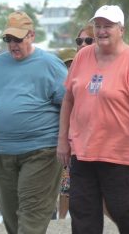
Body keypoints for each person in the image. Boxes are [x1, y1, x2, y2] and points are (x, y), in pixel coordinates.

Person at [0, 11, 67, 234]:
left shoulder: (50, 64)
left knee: (31, 216)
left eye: (18, 39)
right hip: (2, 151)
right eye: (9, 39)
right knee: (11, 217)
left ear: (31, 36)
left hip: (41, 151)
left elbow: (69, 103)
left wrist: (67, 140)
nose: (13, 45)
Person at [57, 5, 129, 234]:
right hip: (83, 150)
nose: (101, 31)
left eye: (107, 26)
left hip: (120, 152)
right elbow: (68, 100)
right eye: (98, 26)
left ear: (121, 29)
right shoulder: (82, 57)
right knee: (82, 213)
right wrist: (62, 139)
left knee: (121, 210)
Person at [56, 47, 76, 220]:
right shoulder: (58, 84)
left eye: (71, 64)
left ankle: (62, 218)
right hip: (59, 141)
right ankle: (60, 219)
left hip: (75, 141)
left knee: (66, 184)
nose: (69, 68)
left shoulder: (77, 82)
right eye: (66, 65)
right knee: (64, 185)